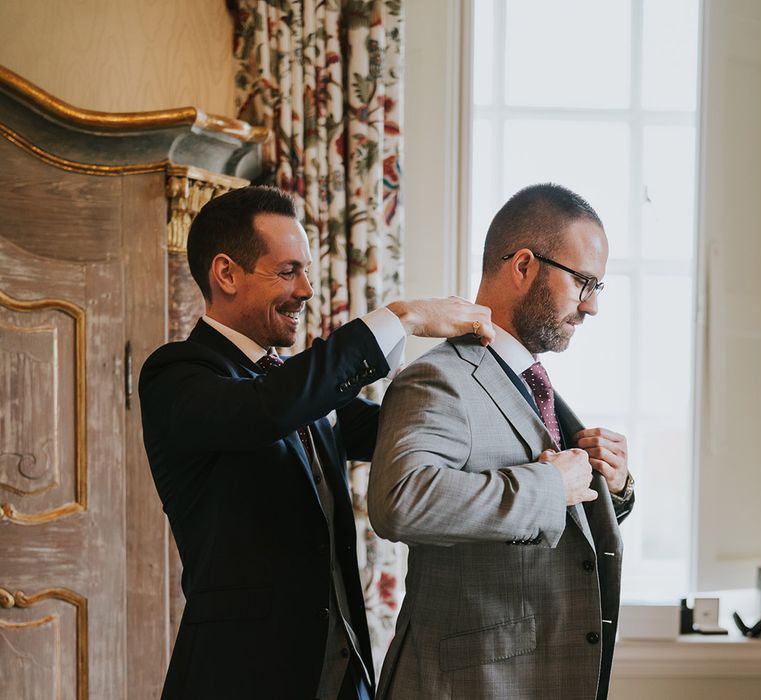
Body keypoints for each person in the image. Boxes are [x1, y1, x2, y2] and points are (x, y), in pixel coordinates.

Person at [138, 185, 493, 700]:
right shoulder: (177, 376)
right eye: (288, 271)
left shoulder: (295, 383)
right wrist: (403, 317)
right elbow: (268, 409)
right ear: (226, 273)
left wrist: (486, 393)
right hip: (239, 676)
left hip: (341, 671)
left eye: (306, 270)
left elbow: (392, 430)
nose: (307, 289)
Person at [368, 183, 635, 700]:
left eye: (597, 288)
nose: (591, 308)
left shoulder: (533, 382)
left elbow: (556, 528)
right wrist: (548, 488)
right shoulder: (438, 378)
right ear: (523, 266)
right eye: (584, 283)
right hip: (470, 683)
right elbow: (400, 503)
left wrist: (616, 489)